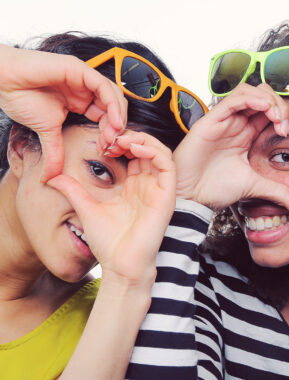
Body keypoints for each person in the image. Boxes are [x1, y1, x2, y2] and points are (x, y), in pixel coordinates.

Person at [124, 21, 289, 380]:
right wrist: (182, 197)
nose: (250, 187)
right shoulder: (195, 284)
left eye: (285, 156)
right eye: (241, 159)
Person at [0, 32, 207, 379]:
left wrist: (127, 282)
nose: (113, 217)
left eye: (137, 199)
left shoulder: (112, 324)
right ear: (21, 147)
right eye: (100, 171)